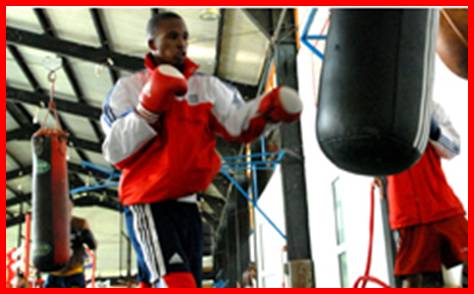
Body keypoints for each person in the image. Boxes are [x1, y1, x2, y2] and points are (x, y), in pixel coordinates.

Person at [100, 11, 302, 288]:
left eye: (184, 37)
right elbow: (114, 151)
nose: (181, 43)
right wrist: (149, 106)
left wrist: (267, 111)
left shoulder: (206, 87)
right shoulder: (129, 89)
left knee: (183, 285)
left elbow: (237, 123)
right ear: (152, 44)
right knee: (176, 285)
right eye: (172, 36)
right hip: (148, 202)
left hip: (189, 205)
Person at [384, 102, 467, 288]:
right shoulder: (375, 107)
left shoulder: (428, 105)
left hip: (441, 203)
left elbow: (454, 148)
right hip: (407, 214)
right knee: (415, 281)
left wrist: (435, 132)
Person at [44, 216, 97, 288]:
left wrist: (86, 233)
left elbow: (92, 245)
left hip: (74, 272)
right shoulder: (50, 223)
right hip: (55, 273)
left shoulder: (79, 223)